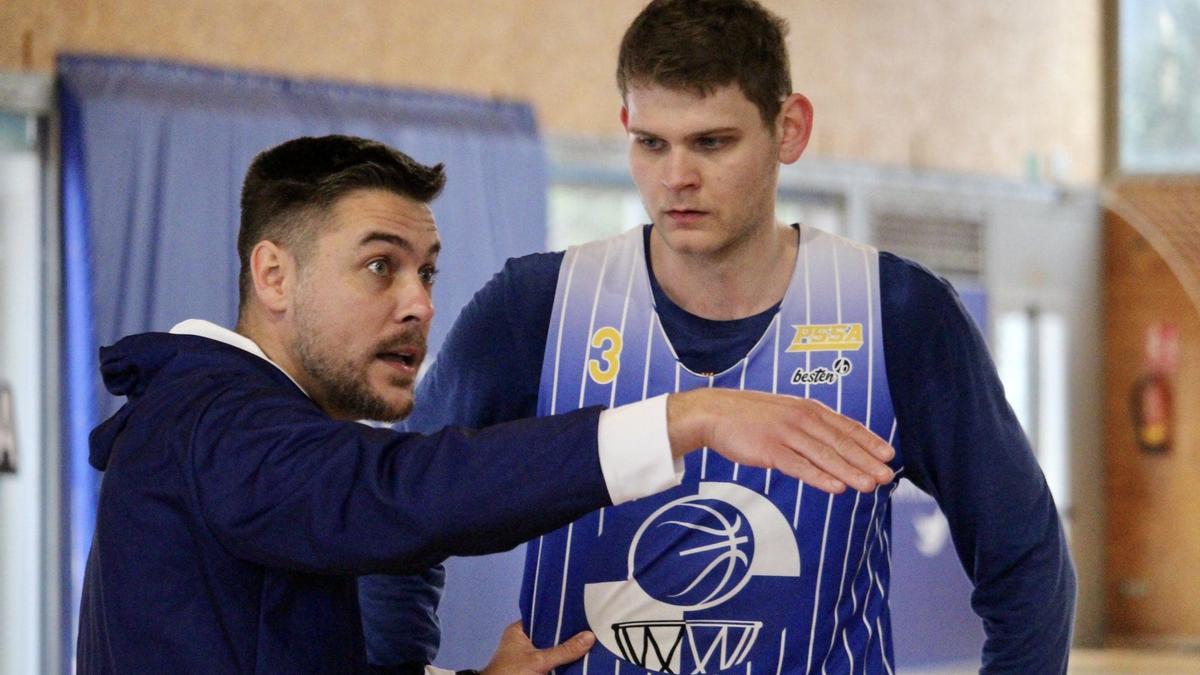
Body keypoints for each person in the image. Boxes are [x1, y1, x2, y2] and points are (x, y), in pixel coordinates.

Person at [360, 1, 1077, 673]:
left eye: (713, 142)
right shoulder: (536, 307)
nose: (677, 177)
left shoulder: (897, 311)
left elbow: (1028, 559)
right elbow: (395, 515)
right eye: (651, 143)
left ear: (789, 128)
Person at [75, 134, 897, 674]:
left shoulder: (223, 429)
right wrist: (687, 418)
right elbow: (401, 491)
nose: (419, 304)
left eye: (426, 271)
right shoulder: (218, 424)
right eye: (379, 266)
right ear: (274, 275)